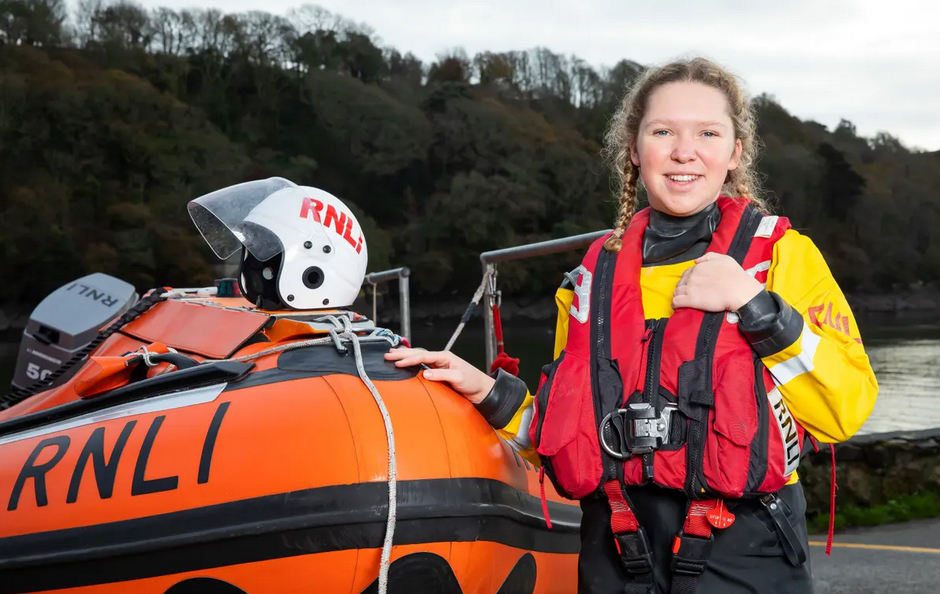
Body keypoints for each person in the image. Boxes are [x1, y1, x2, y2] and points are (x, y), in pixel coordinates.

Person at [386, 56, 878, 594]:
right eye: (662, 131)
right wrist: (485, 390)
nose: (683, 151)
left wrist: (756, 305)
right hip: (616, 556)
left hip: (747, 555)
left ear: (735, 152)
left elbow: (846, 408)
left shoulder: (782, 258)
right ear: (634, 148)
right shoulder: (588, 282)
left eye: (707, 133)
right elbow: (560, 437)